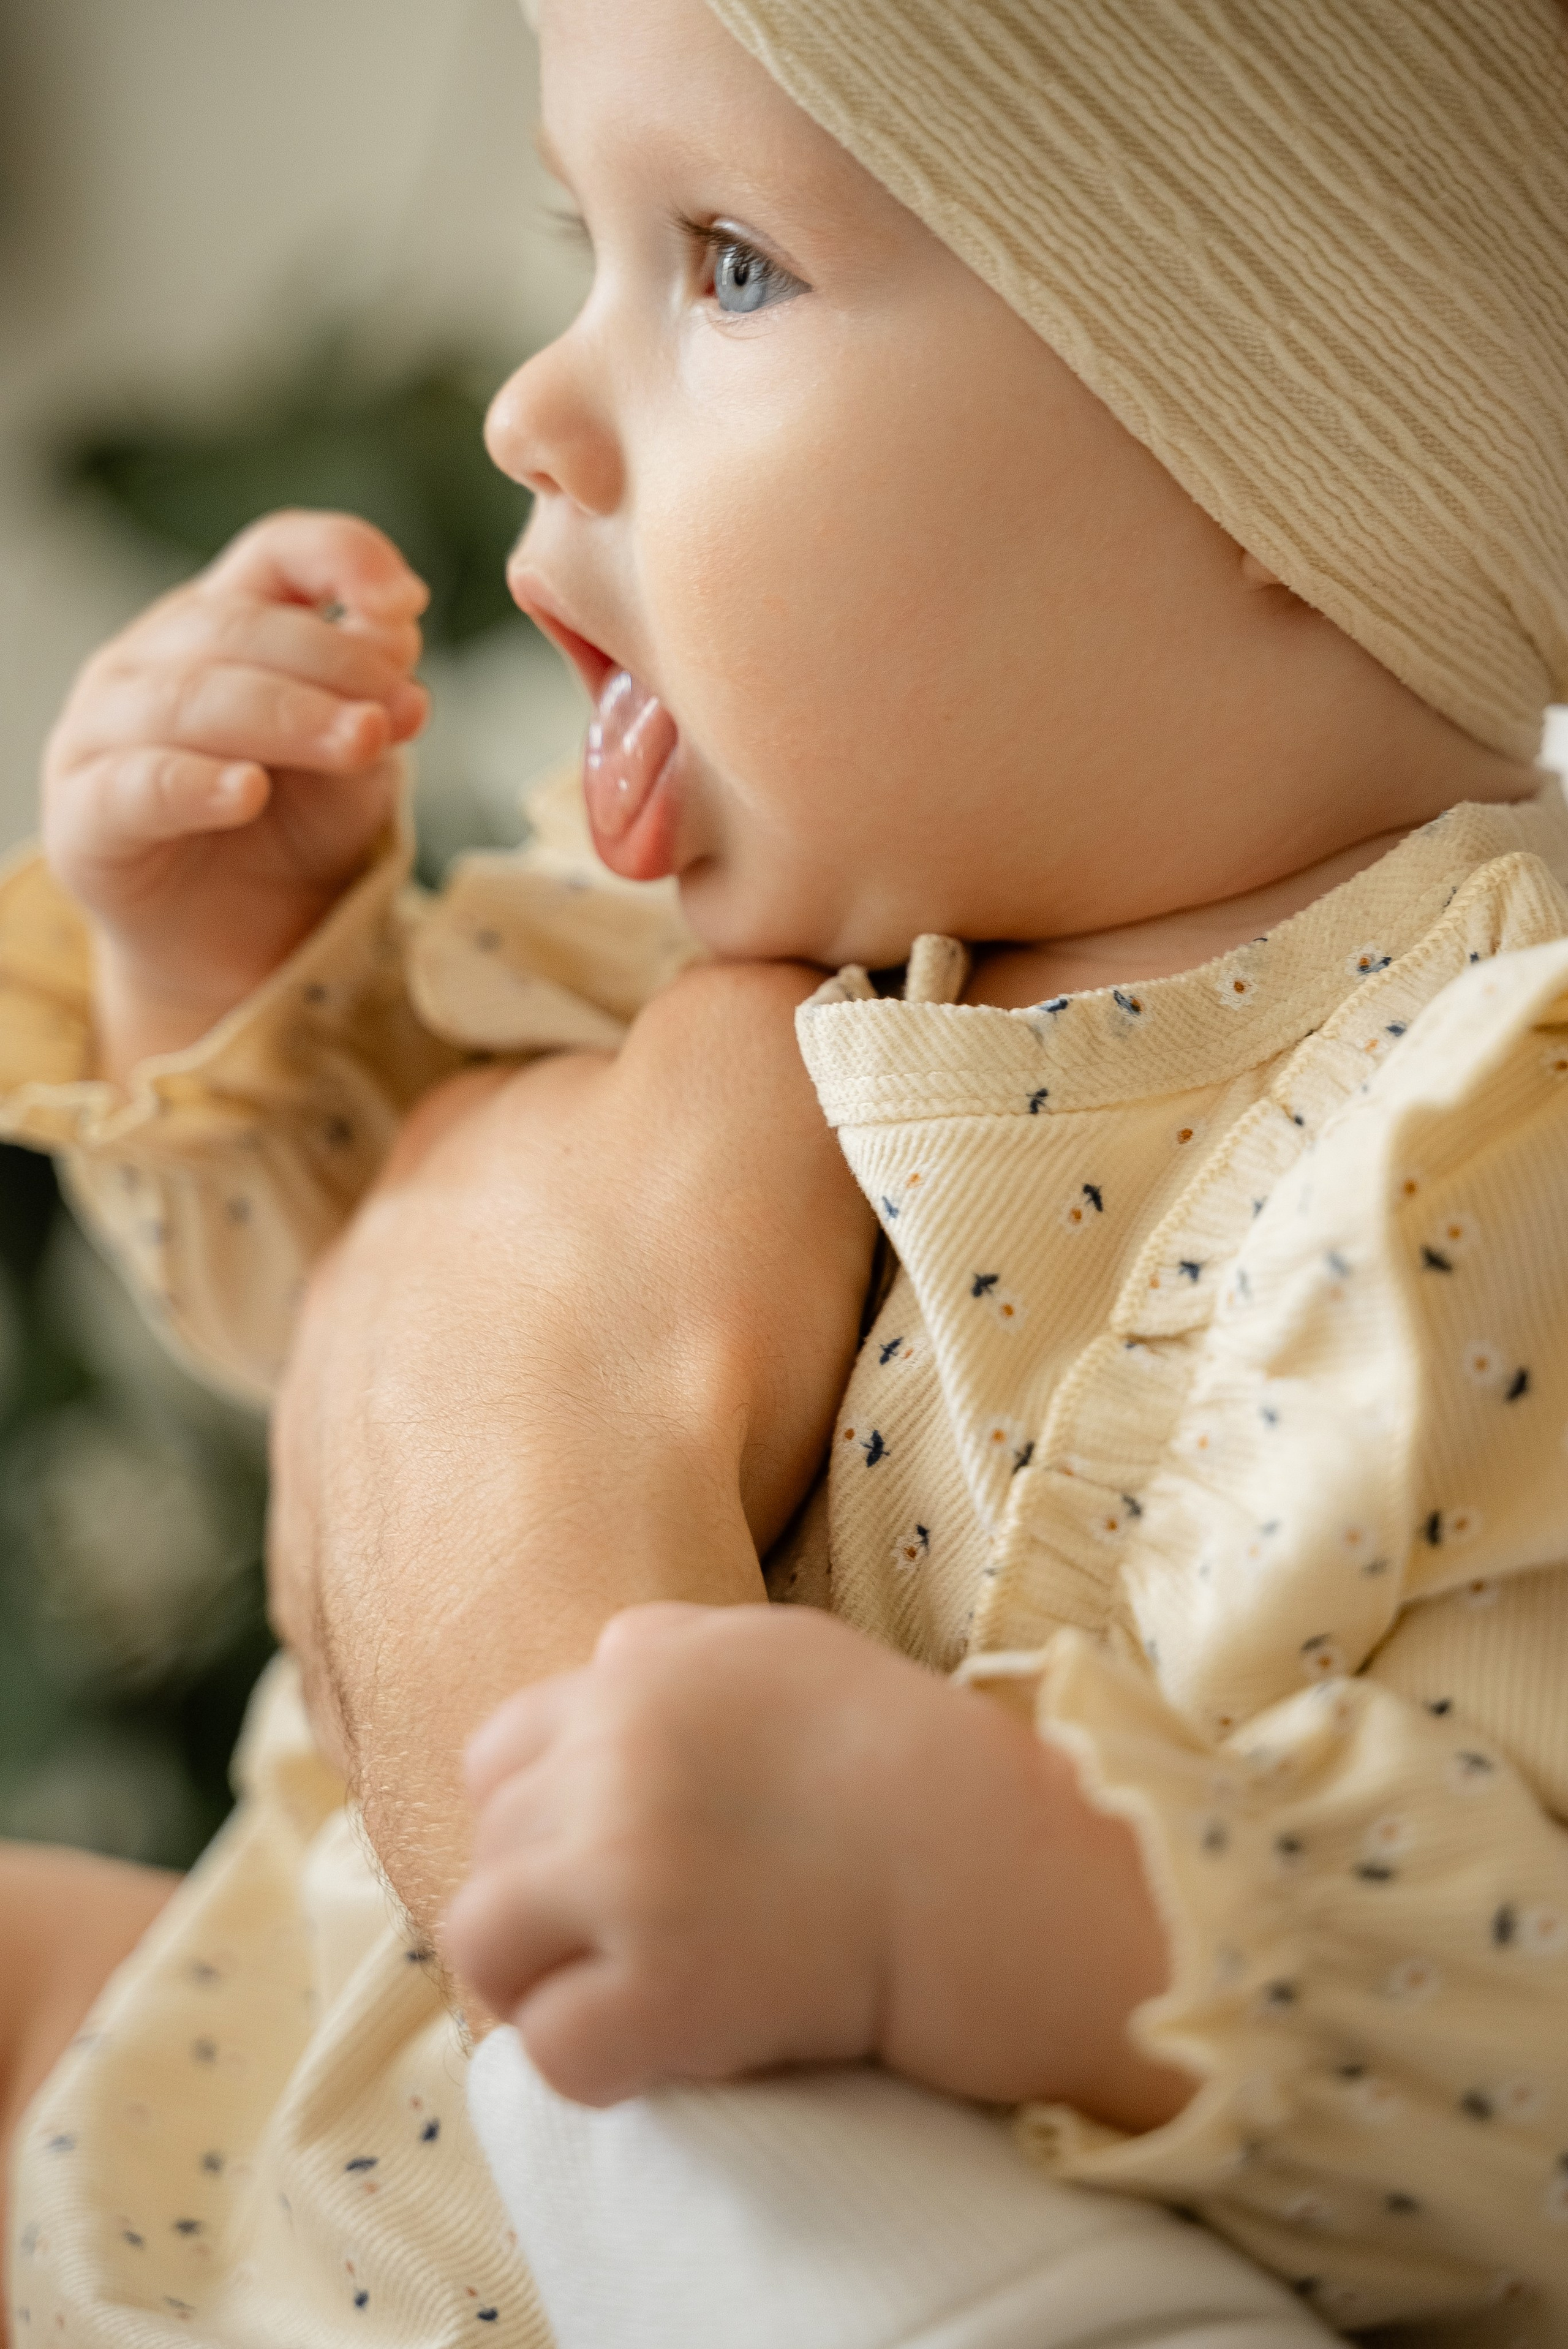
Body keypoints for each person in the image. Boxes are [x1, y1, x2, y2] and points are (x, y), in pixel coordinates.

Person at [2, 0, 1567, 2341]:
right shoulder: (739, 942)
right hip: (223, 2138)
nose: (532, 406)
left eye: (727, 262)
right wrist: (220, 972)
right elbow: (343, 1382)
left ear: (1271, 441)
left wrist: (997, 1904)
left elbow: (1516, 2025)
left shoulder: (1478, 1136)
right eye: (582, 232)